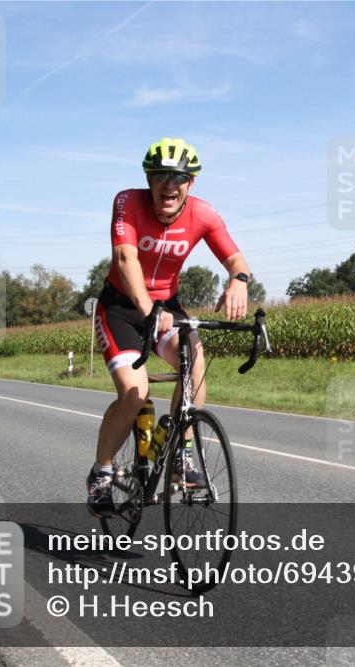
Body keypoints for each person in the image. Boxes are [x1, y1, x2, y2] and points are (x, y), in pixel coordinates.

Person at [87, 137, 252, 517]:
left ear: (190, 183)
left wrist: (238, 280)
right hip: (121, 308)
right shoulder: (127, 202)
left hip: (167, 306)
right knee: (134, 392)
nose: (169, 184)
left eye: (179, 177)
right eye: (161, 175)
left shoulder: (203, 213)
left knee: (194, 355)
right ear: (149, 178)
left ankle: (184, 453)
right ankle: (103, 471)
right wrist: (146, 309)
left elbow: (236, 257)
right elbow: (126, 257)